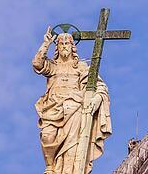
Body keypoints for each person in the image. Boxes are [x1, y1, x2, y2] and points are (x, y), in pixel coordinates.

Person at [34, 27, 112, 174]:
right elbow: (37, 64)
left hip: (74, 109)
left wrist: (96, 98)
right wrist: (46, 44)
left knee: (72, 147)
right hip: (51, 108)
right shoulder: (52, 66)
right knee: (47, 136)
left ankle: (71, 170)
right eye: (61, 44)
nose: (64, 47)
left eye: (67, 44)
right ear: (57, 47)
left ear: (72, 47)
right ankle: (50, 167)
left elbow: (99, 85)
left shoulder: (81, 67)